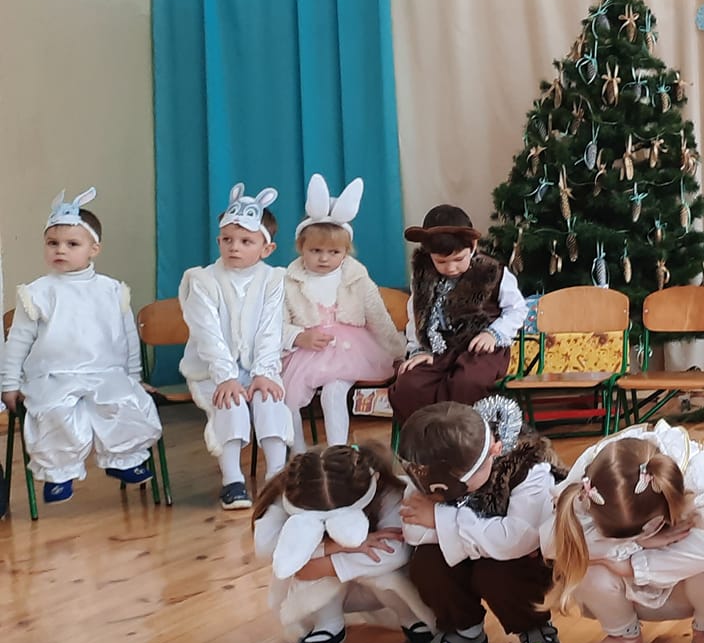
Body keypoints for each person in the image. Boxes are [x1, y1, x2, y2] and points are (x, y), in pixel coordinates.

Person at [1, 190, 161, 503]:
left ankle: (124, 459)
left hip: (105, 372)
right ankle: (59, 473)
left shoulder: (112, 290)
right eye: (52, 243)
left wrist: (133, 377)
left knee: (126, 403)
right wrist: (9, 384)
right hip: (53, 376)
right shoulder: (36, 293)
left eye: (72, 244)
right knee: (55, 412)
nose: (60, 250)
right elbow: (17, 342)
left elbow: (128, 337)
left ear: (93, 249)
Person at [551, 421, 704, 643]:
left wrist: (630, 565)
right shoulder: (593, 474)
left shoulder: (703, 475)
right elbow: (552, 542)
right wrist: (636, 544)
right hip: (628, 588)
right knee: (584, 561)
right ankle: (624, 638)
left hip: (685, 587)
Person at [397, 397, 563, 643]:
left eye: (458, 488)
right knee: (427, 562)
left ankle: (532, 625)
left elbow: (519, 540)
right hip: (484, 549)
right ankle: (464, 630)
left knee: (497, 571)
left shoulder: (529, 468)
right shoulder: (429, 460)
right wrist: (484, 536)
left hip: (520, 564)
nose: (439, 499)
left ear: (494, 451)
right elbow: (414, 532)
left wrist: (439, 519)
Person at [251, 440, 438, 643]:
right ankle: (327, 625)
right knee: (297, 554)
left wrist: (321, 565)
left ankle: (412, 619)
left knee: (383, 568)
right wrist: (338, 546)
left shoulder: (389, 492)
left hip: (377, 591)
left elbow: (396, 553)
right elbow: (268, 546)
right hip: (321, 590)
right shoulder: (295, 489)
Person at [179, 184, 290, 510]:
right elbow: (207, 334)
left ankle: (277, 478)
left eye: (245, 241)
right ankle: (232, 480)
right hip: (212, 369)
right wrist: (226, 377)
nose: (234, 247)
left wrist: (264, 371)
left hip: (259, 367)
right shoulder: (202, 281)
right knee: (230, 401)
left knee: (269, 399)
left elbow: (271, 329)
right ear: (218, 242)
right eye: (227, 240)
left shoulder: (273, 280)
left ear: (266, 248)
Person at [279, 175, 405, 449]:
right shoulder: (288, 280)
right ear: (301, 247)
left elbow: (378, 317)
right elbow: (277, 323)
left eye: (334, 252)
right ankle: (298, 453)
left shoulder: (356, 277)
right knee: (287, 396)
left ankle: (338, 452)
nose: (324, 258)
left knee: (334, 393)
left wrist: (398, 351)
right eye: (316, 250)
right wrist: (299, 337)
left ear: (346, 252)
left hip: (349, 351)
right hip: (307, 351)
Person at [391, 205, 525, 422]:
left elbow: (517, 309)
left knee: (467, 382)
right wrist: (419, 351)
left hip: (481, 350)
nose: (451, 268)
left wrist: (493, 334)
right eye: (441, 261)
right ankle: (429, 435)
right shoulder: (424, 277)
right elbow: (416, 316)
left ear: (472, 246)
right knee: (410, 384)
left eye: (459, 259)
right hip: (439, 350)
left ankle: (466, 434)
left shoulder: (493, 272)